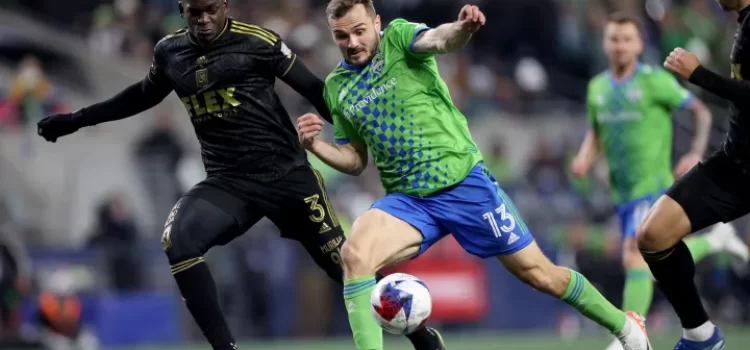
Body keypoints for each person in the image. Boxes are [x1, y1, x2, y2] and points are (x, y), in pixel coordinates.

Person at [36, 1, 442, 349]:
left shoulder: (257, 42)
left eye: (212, 9)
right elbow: (142, 95)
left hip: (287, 177)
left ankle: (423, 338)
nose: (204, 19)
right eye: (195, 11)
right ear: (182, 11)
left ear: (225, 5)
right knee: (177, 242)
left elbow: (319, 91)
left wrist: (361, 137)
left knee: (348, 266)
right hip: (228, 182)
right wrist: (76, 119)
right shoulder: (169, 52)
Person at [298, 1, 651, 349]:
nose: (353, 42)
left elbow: (438, 39)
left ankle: (626, 327)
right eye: (342, 36)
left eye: (359, 31)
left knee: (541, 275)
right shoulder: (337, 87)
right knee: (355, 256)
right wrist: (316, 146)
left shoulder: (398, 38)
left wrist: (462, 29)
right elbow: (356, 159)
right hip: (409, 201)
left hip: (463, 185)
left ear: (376, 23)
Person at [570, 12, 749, 350]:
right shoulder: (598, 88)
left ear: (639, 44)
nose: (620, 46)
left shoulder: (654, 81)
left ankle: (629, 334)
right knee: (651, 249)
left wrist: (694, 150)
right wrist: (585, 156)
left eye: (627, 39)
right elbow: (595, 132)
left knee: (634, 257)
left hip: (651, 183)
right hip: (622, 190)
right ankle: (713, 246)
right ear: (605, 43)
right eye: (613, 39)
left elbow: (700, 110)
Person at [637, 0, 750, 349]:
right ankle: (700, 335)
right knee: (653, 235)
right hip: (735, 166)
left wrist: (699, 74)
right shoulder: (742, 21)